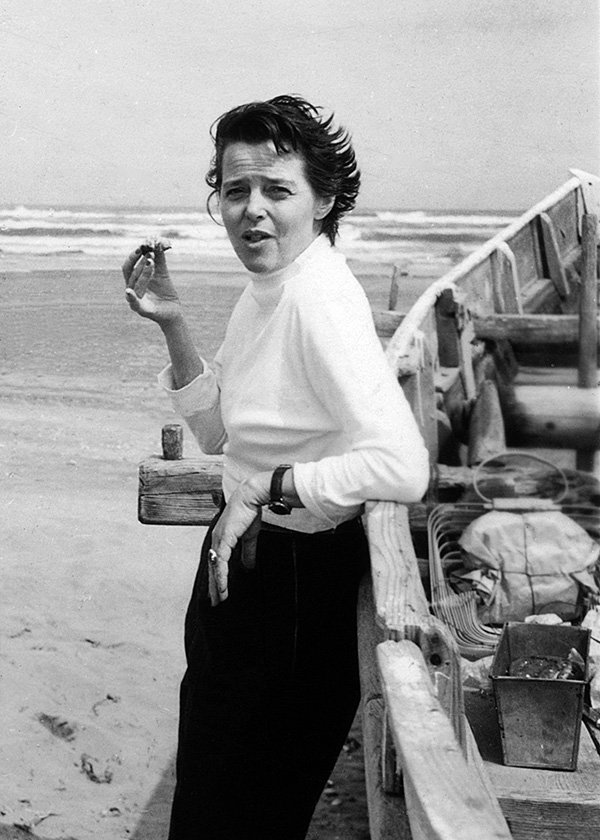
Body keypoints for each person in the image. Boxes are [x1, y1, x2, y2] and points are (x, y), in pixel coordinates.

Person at [122, 94, 429, 840]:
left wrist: (268, 489)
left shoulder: (317, 300)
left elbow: (402, 466)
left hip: (295, 587)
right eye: (235, 191)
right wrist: (173, 323)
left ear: (324, 200)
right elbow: (219, 433)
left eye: (277, 190)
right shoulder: (270, 290)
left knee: (236, 817)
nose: (252, 211)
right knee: (210, 802)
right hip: (247, 576)